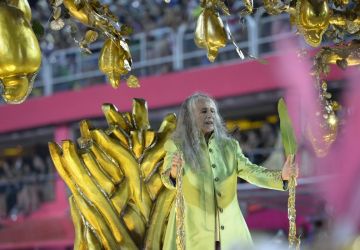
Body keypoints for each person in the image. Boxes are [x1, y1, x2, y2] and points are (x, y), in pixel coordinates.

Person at [160, 93, 298, 250]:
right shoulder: (177, 146)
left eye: (213, 111)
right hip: (192, 233)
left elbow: (251, 171)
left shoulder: (230, 147)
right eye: (204, 111)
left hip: (231, 232)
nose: (210, 115)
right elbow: (166, 179)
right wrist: (173, 172)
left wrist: (282, 176)